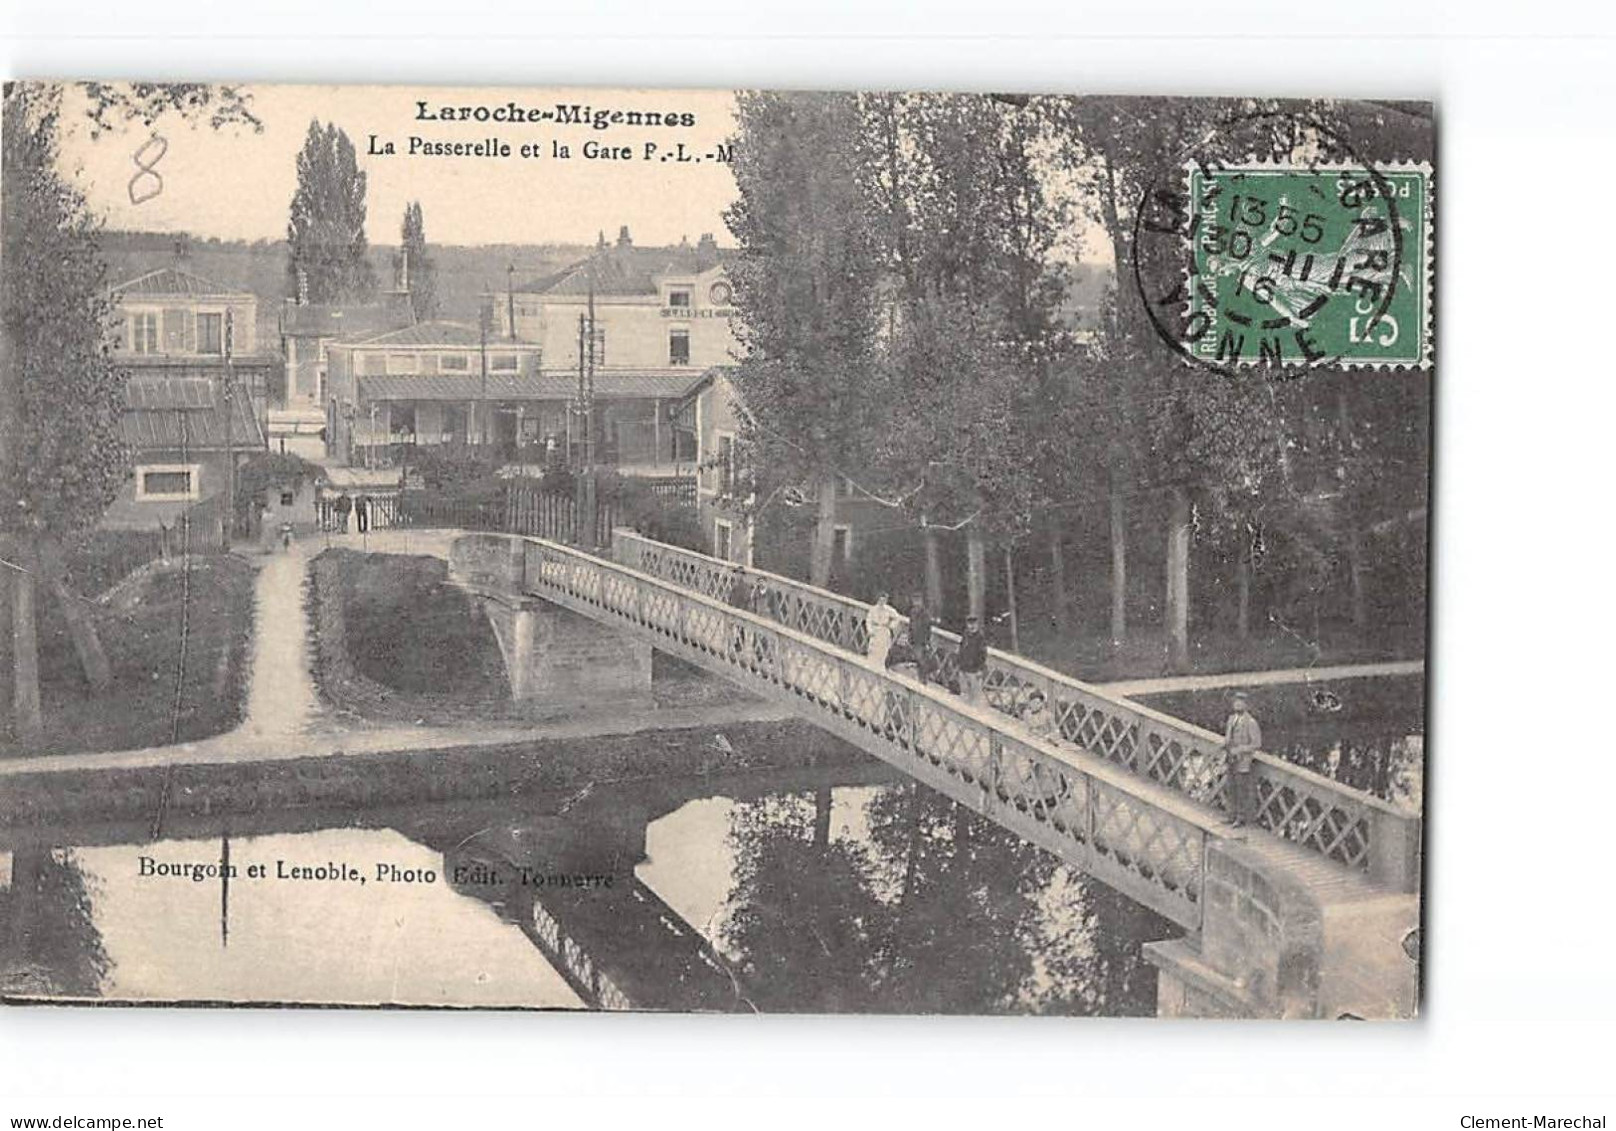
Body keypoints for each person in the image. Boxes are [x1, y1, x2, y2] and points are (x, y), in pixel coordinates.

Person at [1222, 692, 1264, 828]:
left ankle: (1241, 818)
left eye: (1241, 702)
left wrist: (1240, 749)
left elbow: (1256, 744)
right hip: (1231, 759)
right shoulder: (1231, 719)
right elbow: (1228, 738)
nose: (1237, 704)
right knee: (1230, 787)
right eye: (1236, 702)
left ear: (1246, 705)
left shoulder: (1251, 722)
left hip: (1243, 761)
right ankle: (1231, 815)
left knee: (1241, 790)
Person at [957, 613, 987, 706]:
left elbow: (983, 655)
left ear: (977, 625)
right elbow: (961, 650)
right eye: (970, 624)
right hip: (964, 668)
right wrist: (960, 664)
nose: (972, 626)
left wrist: (980, 669)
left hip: (974, 670)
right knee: (964, 693)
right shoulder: (965, 635)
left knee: (975, 696)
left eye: (974, 624)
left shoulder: (980, 638)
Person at [864, 591, 901, 666]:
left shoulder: (888, 610)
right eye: (880, 600)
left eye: (884, 600)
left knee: (883, 651)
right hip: (875, 631)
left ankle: (881, 667)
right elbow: (868, 620)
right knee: (873, 651)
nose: (882, 602)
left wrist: (891, 625)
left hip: (884, 631)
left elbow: (897, 618)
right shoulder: (873, 609)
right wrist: (870, 630)